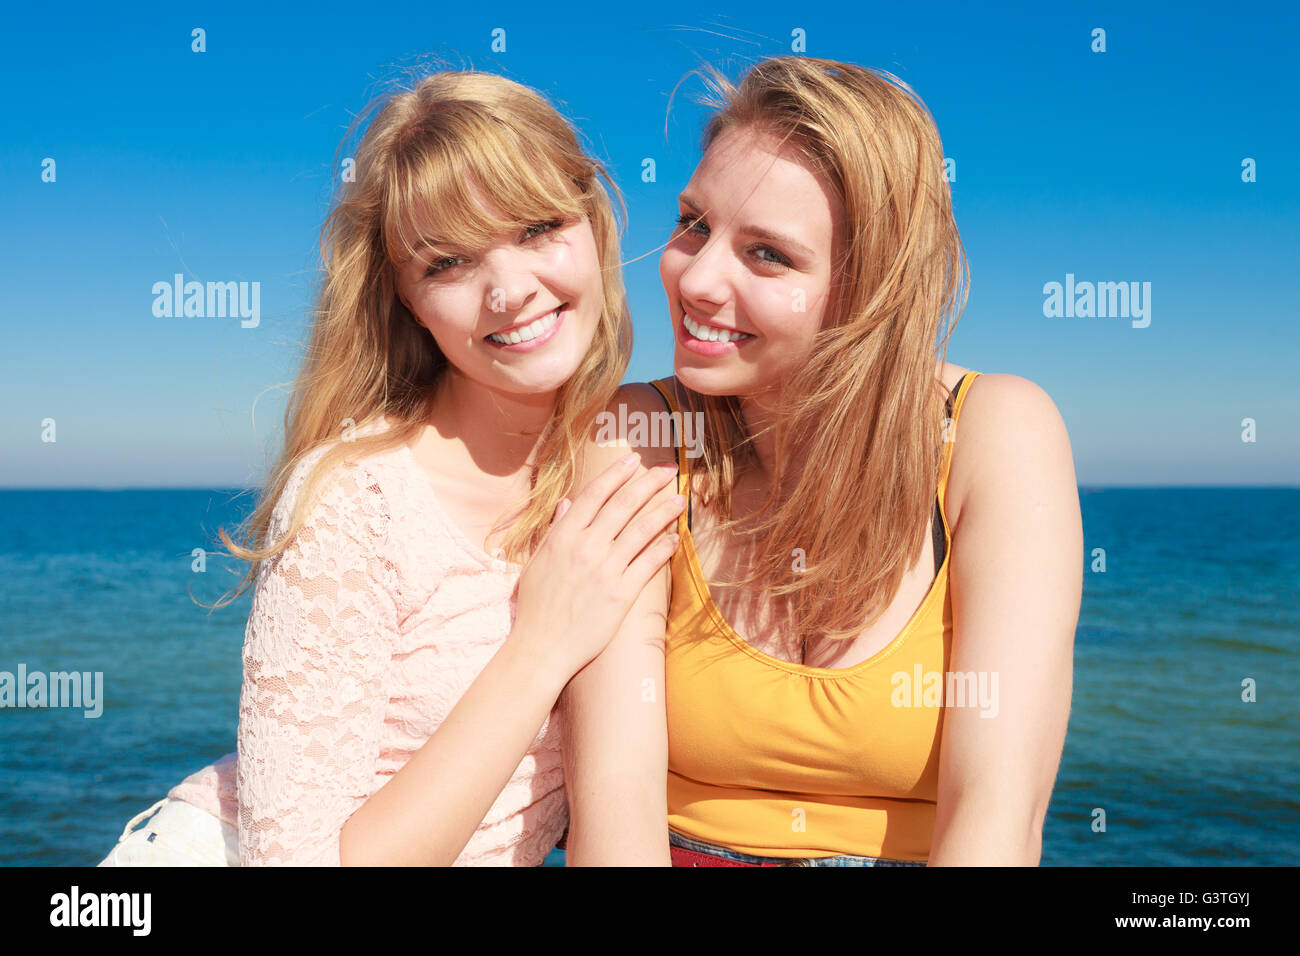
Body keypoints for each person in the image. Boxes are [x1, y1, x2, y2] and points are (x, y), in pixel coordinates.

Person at [98, 68, 685, 867]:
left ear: (595, 223)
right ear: (405, 298)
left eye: (538, 227)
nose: (509, 290)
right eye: (447, 264)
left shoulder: (630, 446)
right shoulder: (357, 497)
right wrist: (543, 642)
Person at [562, 56, 1082, 866]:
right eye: (694, 223)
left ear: (869, 291)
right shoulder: (640, 436)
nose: (694, 277)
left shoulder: (995, 434)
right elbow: (613, 818)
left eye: (767, 254)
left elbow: (996, 823)